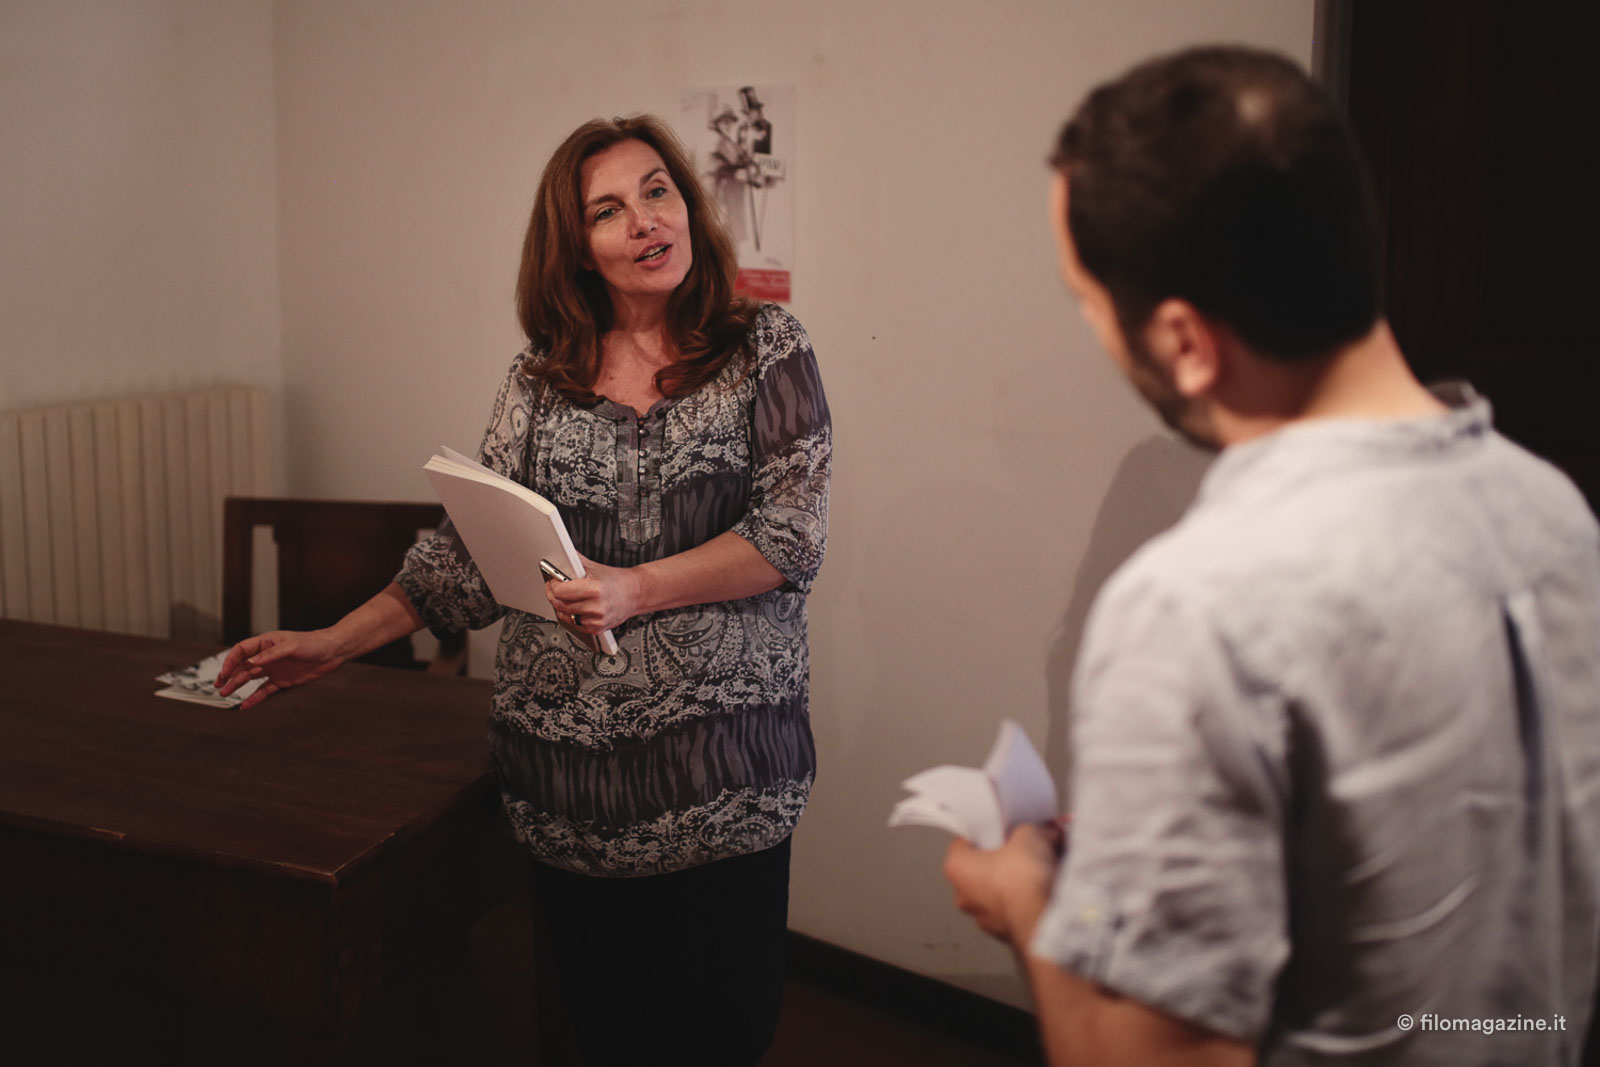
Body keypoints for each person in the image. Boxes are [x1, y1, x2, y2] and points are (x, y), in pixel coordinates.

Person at [942, 46, 1600, 1067]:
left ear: (1184, 341)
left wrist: (1028, 902)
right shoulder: (1551, 509)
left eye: (1088, 303)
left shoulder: (1194, 604)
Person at [218, 114, 831, 1066]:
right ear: (578, 248)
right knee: (589, 1041)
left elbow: (790, 537)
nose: (644, 219)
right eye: (608, 209)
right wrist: (331, 641)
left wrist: (636, 588)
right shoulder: (540, 380)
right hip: (570, 793)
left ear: (687, 205)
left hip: (723, 786)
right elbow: (464, 558)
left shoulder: (765, 347)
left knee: (718, 1038)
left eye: (657, 190)